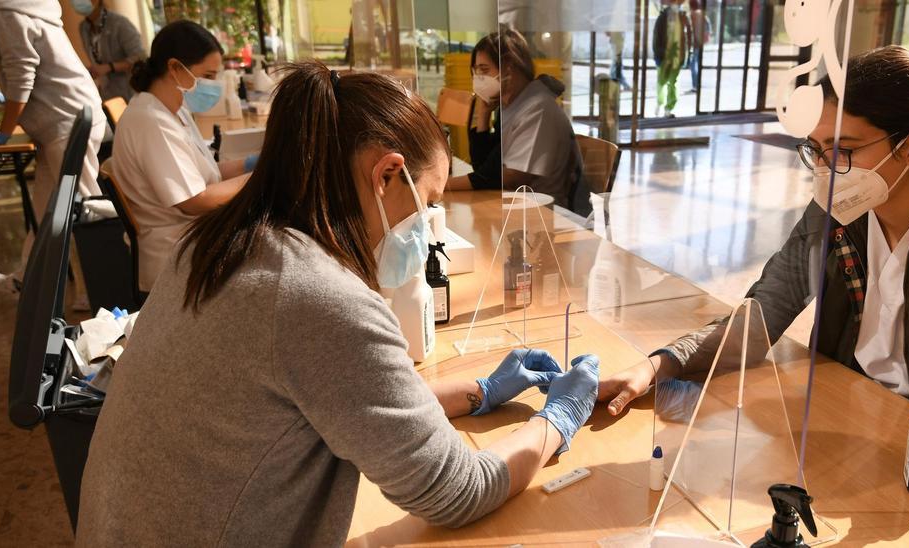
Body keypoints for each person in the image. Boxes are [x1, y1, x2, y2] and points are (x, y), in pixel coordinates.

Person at [77, 64, 601, 544]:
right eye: (431, 201)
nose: (428, 224)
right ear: (387, 175)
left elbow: (330, 397)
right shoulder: (319, 299)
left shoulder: (215, 242)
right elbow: (456, 490)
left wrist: (477, 392)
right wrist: (557, 419)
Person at [598, 46, 909, 475]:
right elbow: (763, 314)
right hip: (852, 424)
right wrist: (659, 366)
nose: (825, 170)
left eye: (844, 150)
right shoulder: (841, 208)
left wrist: (882, 455)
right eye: (817, 151)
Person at [0, 0, 107, 295]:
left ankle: (102, 289)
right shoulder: (24, 5)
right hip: (66, 118)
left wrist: (5, 131)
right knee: (48, 211)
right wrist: (11, 101)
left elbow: (22, 73)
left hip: (66, 122)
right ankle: (27, 280)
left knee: (86, 211)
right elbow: (37, 68)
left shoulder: (7, 12)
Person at [111, 21, 256, 293]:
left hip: (193, 237)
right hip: (176, 254)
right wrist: (261, 176)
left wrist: (253, 162)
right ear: (175, 68)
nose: (213, 85)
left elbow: (207, 174)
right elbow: (194, 200)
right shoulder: (150, 121)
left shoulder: (173, 109)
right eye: (208, 76)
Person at [446, 30, 587, 214]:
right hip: (519, 206)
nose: (477, 78)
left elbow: (509, 176)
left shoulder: (537, 108)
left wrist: (444, 185)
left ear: (508, 68)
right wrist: (484, 115)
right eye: (475, 71)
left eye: (484, 70)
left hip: (549, 214)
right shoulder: (511, 107)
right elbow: (483, 168)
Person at [74, 0, 145, 102]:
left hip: (130, 95)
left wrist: (109, 67)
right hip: (107, 96)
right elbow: (97, 60)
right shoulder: (83, 28)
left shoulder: (120, 23)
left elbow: (140, 58)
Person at [652, 0, 690, 117]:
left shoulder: (683, 18)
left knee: (673, 82)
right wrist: (658, 53)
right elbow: (656, 37)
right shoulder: (662, 18)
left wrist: (687, 55)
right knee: (661, 82)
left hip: (677, 57)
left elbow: (688, 37)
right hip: (663, 56)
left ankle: (668, 108)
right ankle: (660, 102)